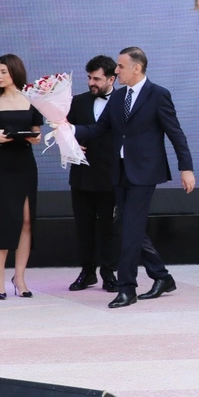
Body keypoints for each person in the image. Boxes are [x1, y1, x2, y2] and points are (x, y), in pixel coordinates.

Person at [70, 47, 195, 309]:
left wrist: (186, 168)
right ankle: (162, 276)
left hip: (145, 171)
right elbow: (99, 128)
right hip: (120, 170)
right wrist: (67, 129)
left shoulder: (157, 94)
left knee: (130, 227)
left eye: (121, 66)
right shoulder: (118, 97)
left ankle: (127, 288)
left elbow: (175, 133)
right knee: (126, 224)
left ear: (136, 68)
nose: (116, 70)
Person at [0, 55, 41, 300]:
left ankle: (20, 278)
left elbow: (37, 133)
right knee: (5, 219)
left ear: (15, 71)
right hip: (0, 165)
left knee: (26, 221)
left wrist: (34, 137)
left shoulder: (32, 99)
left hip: (25, 163)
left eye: (3, 71)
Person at [66, 55, 119, 293]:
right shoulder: (77, 102)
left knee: (109, 227)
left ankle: (109, 273)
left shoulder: (124, 101)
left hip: (112, 175)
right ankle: (87, 272)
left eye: (96, 78)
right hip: (82, 175)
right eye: (89, 77)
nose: (91, 83)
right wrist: (72, 146)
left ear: (111, 79)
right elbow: (64, 132)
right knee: (83, 226)